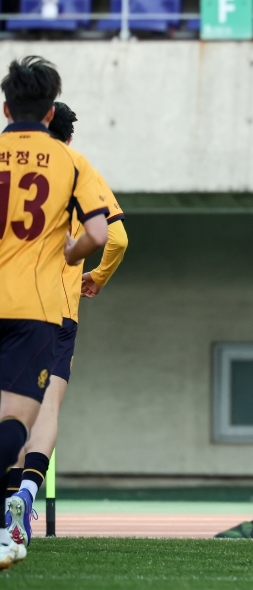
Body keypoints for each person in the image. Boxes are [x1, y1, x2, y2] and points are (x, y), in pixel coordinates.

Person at [0, 57, 110, 568]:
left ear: (6, 108)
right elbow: (100, 234)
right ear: (49, 113)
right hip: (35, 310)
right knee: (14, 425)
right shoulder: (70, 161)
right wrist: (70, 253)